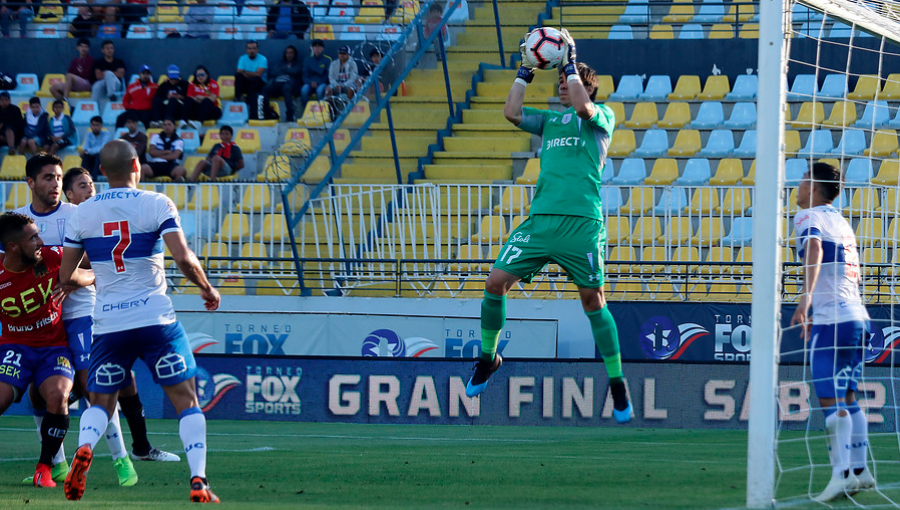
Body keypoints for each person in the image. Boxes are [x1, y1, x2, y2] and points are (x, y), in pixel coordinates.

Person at [465, 31, 633, 424]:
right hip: (541, 221)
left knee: (593, 300)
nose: (562, 86)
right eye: (558, 81)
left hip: (582, 224)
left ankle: (617, 381)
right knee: (494, 283)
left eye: (567, 81)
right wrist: (524, 72)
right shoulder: (551, 121)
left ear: (585, 86)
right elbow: (512, 113)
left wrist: (570, 64)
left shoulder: (602, 116)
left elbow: (584, 108)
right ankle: (488, 359)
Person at [60, 139, 221, 503]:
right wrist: (207, 288)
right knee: (186, 400)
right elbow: (182, 257)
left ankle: (84, 448)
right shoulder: (156, 202)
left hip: (108, 324)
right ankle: (199, 480)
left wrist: (98, 276)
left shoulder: (81, 214)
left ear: (101, 172)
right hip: (155, 318)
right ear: (138, 165)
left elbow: (67, 277)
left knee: (100, 402)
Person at [60, 167, 182, 464]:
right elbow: (75, 270)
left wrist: (87, 275)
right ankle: (58, 461)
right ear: (69, 193)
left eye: (91, 184)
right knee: (81, 388)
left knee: (120, 380)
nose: (90, 189)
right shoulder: (73, 218)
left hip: (91, 311)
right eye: (82, 185)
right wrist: (91, 274)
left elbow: (84, 267)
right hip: (56, 315)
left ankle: (133, 451)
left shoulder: (96, 216)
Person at [790, 162, 876, 502]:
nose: (797, 186)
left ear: (812, 186)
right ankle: (860, 470)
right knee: (850, 396)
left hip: (832, 319)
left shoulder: (808, 216)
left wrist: (805, 299)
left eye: (802, 180)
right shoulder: (841, 221)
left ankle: (840, 475)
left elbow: (814, 249)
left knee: (828, 398)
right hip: (858, 318)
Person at [0, 212, 87, 487]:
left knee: (59, 395)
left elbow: (96, 268)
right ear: (12, 246)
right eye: (33, 238)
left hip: (53, 347)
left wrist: (73, 280)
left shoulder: (52, 257)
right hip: (14, 347)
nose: (41, 241)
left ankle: (44, 468)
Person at [263, 45, 303, 122]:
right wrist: (288, 71)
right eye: (287, 53)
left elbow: (296, 71)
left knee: (287, 88)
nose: (289, 55)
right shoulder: (280, 63)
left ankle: (289, 115)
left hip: (289, 84)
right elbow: (273, 72)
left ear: (294, 54)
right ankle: (267, 113)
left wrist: (283, 70)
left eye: (291, 53)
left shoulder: (298, 64)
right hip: (277, 84)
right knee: (265, 89)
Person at [51, 38, 96, 102]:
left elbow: (86, 75)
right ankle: (63, 104)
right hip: (74, 85)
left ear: (88, 49)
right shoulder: (75, 60)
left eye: (86, 47)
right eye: (81, 46)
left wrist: (77, 73)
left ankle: (65, 99)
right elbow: (70, 72)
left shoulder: (90, 59)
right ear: (78, 48)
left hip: (86, 84)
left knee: (69, 76)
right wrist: (78, 72)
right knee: (53, 88)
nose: (83, 49)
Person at [235, 40, 268, 120]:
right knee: (238, 76)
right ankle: (238, 97)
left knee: (255, 80)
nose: (252, 51)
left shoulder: (263, 59)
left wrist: (245, 72)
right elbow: (239, 71)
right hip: (247, 82)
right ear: (247, 50)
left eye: (254, 48)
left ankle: (250, 107)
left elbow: (258, 74)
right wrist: (251, 73)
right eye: (249, 49)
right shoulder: (242, 58)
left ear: (257, 50)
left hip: (259, 83)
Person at [118, 64, 157, 129]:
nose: (145, 76)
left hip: (147, 111)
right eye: (143, 73)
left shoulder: (155, 87)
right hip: (134, 110)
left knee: (150, 122)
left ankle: (150, 138)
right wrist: (130, 108)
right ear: (139, 74)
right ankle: (118, 138)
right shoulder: (131, 87)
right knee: (120, 118)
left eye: (147, 74)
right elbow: (125, 101)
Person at [91, 40, 127, 108]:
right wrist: (113, 73)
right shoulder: (98, 62)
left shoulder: (119, 62)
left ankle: (111, 95)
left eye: (111, 48)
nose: (109, 50)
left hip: (116, 83)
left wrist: (107, 73)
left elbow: (121, 74)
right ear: (102, 50)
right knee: (96, 86)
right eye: (107, 48)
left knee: (108, 74)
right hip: (104, 83)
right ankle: (95, 107)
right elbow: (98, 75)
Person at [301, 39, 330, 110]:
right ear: (312, 48)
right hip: (310, 82)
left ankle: (321, 112)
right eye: (315, 47)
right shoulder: (307, 60)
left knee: (320, 91)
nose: (317, 49)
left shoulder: (327, 60)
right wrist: (310, 82)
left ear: (322, 48)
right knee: (304, 90)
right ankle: (307, 111)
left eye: (319, 47)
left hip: (322, 83)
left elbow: (328, 76)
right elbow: (304, 75)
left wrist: (318, 82)